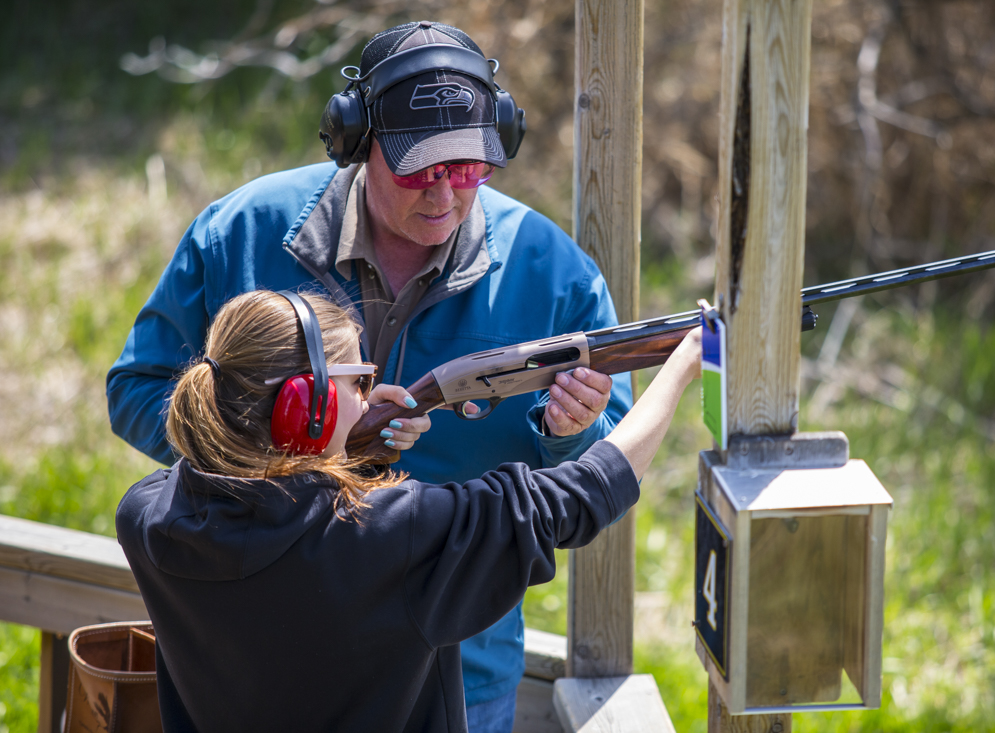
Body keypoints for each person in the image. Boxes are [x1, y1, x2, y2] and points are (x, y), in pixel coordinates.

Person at [106, 20, 633, 730]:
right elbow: (138, 389)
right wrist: (290, 461)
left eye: (469, 170)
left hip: (463, 667)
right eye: (420, 170)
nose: (446, 195)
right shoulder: (239, 232)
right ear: (356, 142)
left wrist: (570, 430)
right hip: (252, 657)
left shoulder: (555, 273)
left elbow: (607, 456)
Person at [115, 290, 701, 733]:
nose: (371, 394)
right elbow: (579, 496)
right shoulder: (391, 536)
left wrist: (349, 451)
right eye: (359, 381)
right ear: (304, 408)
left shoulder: (147, 518)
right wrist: (679, 366)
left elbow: (264, 507)